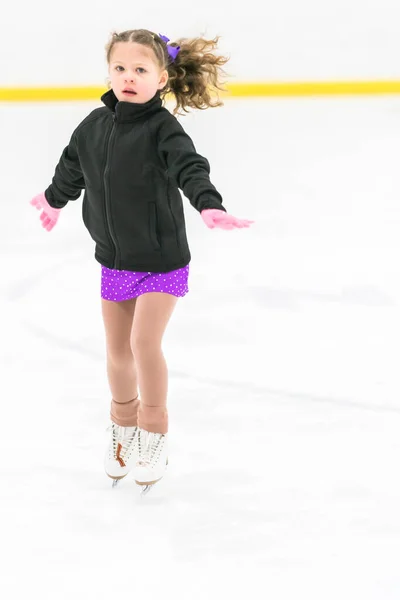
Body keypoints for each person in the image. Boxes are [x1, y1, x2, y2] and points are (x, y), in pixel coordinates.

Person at [30, 29, 254, 492]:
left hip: (161, 259)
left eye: (139, 70)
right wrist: (53, 200)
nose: (128, 78)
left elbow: (191, 167)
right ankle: (122, 427)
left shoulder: (163, 129)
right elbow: (73, 165)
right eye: (119, 68)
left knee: (142, 345)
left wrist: (208, 204)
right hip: (115, 259)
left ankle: (154, 432)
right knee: (116, 352)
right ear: (108, 71)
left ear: (161, 77)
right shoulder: (94, 125)